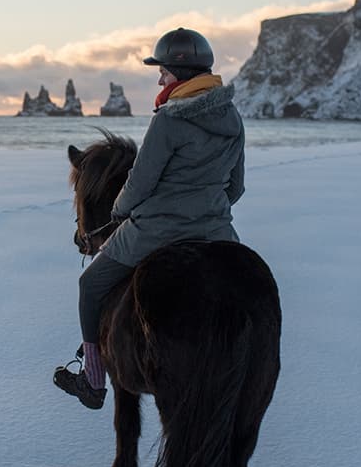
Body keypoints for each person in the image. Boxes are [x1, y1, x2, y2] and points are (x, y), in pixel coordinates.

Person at [53, 28, 246, 409]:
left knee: (90, 285)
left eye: (164, 72)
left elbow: (139, 184)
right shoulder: (233, 118)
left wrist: (120, 211)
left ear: (180, 72)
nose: (160, 79)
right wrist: (207, 209)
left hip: (157, 230)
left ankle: (92, 380)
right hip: (219, 233)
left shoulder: (168, 120)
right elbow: (235, 187)